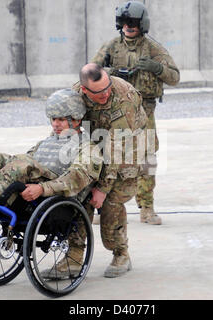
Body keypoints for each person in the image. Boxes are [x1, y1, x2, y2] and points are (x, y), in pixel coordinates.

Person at [0, 89, 104, 234]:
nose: (55, 124)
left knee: (23, 162)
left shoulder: (88, 147)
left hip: (53, 198)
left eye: (61, 119)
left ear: (76, 120)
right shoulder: (47, 142)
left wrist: (42, 188)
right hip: (26, 189)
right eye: (53, 119)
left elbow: (75, 180)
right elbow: (20, 163)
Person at [91, 1, 180, 225]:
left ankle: (147, 208)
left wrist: (155, 67)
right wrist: (110, 72)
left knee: (147, 158)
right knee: (103, 155)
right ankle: (95, 206)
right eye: (124, 23)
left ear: (142, 25)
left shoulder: (153, 49)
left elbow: (175, 77)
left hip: (144, 112)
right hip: (115, 111)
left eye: (133, 23)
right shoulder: (111, 47)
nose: (129, 27)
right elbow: (90, 72)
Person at [71, 63, 148, 278]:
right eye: (98, 92)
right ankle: (74, 256)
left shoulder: (124, 98)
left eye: (107, 88)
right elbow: (64, 128)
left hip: (127, 148)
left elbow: (116, 149)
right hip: (94, 143)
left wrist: (103, 189)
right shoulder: (75, 95)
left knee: (111, 202)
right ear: (85, 90)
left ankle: (121, 254)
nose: (105, 94)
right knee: (78, 197)